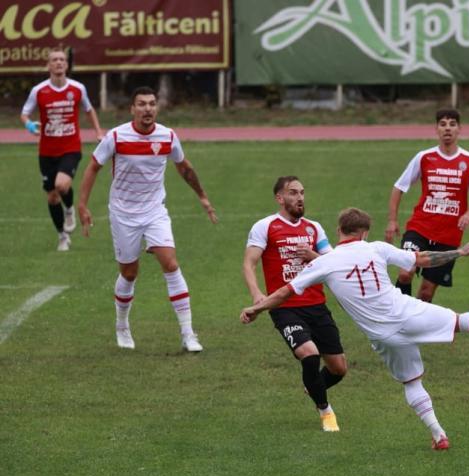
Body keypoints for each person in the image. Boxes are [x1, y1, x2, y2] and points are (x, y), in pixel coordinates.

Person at [242, 208, 469, 450]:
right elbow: (422, 259)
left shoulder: (326, 262)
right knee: (459, 321)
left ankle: (439, 435)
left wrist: (256, 307)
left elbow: (284, 293)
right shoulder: (376, 247)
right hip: (406, 311)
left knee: (412, 381)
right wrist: (459, 252)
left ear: (339, 231)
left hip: (381, 335)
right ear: (365, 232)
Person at [77, 86, 218, 352]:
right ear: (132, 109)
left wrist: (203, 197)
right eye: (141, 104)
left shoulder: (168, 136)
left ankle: (188, 334)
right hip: (123, 214)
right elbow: (94, 166)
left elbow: (184, 166)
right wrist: (82, 205)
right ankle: (122, 325)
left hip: (155, 211)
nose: (147, 109)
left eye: (152, 104)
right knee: (129, 273)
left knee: (170, 262)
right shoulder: (116, 136)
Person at [243, 176, 347, 432]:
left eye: (302, 192)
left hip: (316, 305)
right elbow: (249, 263)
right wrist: (257, 295)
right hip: (284, 307)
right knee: (309, 354)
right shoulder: (265, 226)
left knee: (339, 368)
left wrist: (313, 256)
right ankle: (326, 412)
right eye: (293, 193)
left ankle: (312, 385)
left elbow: (334, 262)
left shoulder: (314, 228)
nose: (300, 197)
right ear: (280, 198)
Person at [385, 108, 469, 303]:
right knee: (406, 272)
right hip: (420, 227)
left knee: (426, 292)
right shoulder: (424, 157)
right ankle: (398, 317)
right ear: (436, 129)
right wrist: (392, 221)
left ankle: (417, 326)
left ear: (459, 129)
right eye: (443, 124)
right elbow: (399, 187)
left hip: (448, 235)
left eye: (452, 124)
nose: (447, 129)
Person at [20, 45, 104, 251]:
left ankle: (69, 209)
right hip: (47, 151)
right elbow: (25, 113)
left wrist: (98, 131)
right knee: (52, 196)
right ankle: (62, 237)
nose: (58, 62)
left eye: (61, 60)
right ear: (48, 65)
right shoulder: (39, 91)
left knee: (62, 185)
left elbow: (89, 109)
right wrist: (29, 124)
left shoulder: (77, 88)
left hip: (70, 146)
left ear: (66, 65)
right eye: (54, 60)